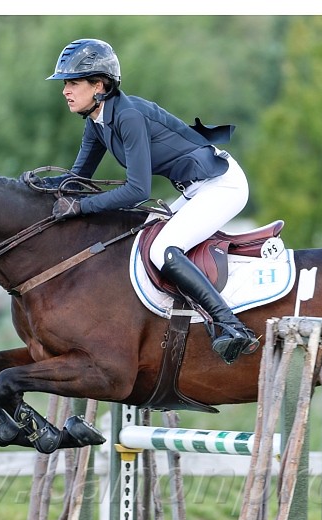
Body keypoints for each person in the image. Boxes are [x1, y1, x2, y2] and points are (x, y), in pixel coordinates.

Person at [23, 38, 259, 365]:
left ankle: (231, 326)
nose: (66, 91)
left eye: (73, 83)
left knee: (164, 250)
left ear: (99, 85)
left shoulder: (128, 116)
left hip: (223, 185)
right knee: (140, 242)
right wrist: (34, 187)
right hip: (194, 190)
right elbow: (77, 180)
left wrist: (81, 207)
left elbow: (137, 191)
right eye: (65, 83)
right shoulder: (97, 122)